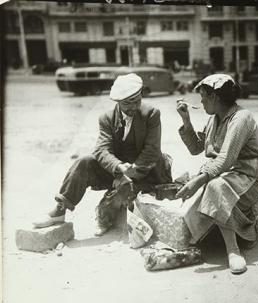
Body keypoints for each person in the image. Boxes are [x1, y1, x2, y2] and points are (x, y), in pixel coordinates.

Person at [33, 73, 172, 235]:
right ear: (118, 102)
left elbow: (152, 151)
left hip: (147, 173)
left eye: (137, 101)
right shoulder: (106, 118)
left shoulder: (152, 114)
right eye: (128, 103)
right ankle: (60, 210)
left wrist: (131, 174)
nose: (134, 107)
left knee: (122, 193)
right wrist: (119, 168)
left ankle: (106, 215)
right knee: (84, 162)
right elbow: (101, 150)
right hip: (119, 173)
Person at [176, 73, 258, 274]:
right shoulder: (214, 120)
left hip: (250, 176)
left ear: (215, 97)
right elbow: (196, 148)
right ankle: (245, 230)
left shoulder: (241, 118)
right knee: (208, 188)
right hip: (225, 176)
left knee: (214, 187)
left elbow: (226, 159)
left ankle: (233, 250)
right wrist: (186, 120)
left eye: (203, 96)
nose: (200, 101)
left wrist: (199, 181)